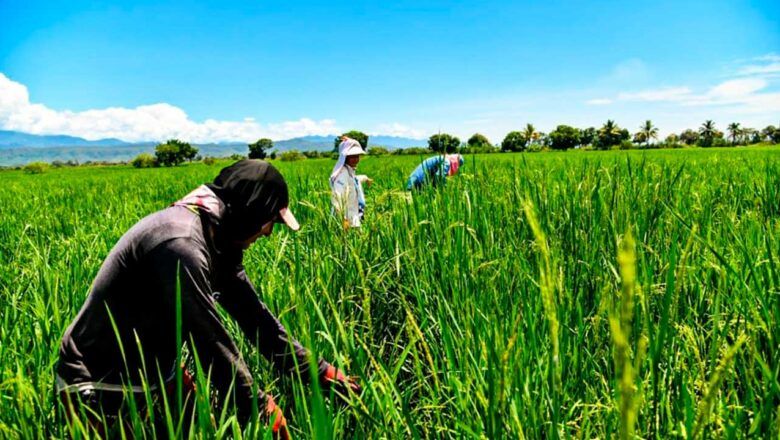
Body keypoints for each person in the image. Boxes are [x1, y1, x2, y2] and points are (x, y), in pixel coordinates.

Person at [56, 160, 359, 439]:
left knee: (204, 430)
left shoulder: (217, 240)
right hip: (99, 381)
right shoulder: (181, 244)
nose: (267, 233)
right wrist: (258, 406)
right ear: (250, 212)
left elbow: (257, 320)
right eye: (270, 221)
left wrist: (320, 370)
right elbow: (208, 340)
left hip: (155, 371)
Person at [330, 137, 372, 229]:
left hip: (354, 216)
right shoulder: (342, 174)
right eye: (352, 156)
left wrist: (366, 178)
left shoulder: (350, 171)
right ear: (344, 157)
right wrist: (343, 219)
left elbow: (355, 180)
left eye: (357, 156)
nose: (356, 159)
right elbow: (337, 197)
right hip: (346, 221)